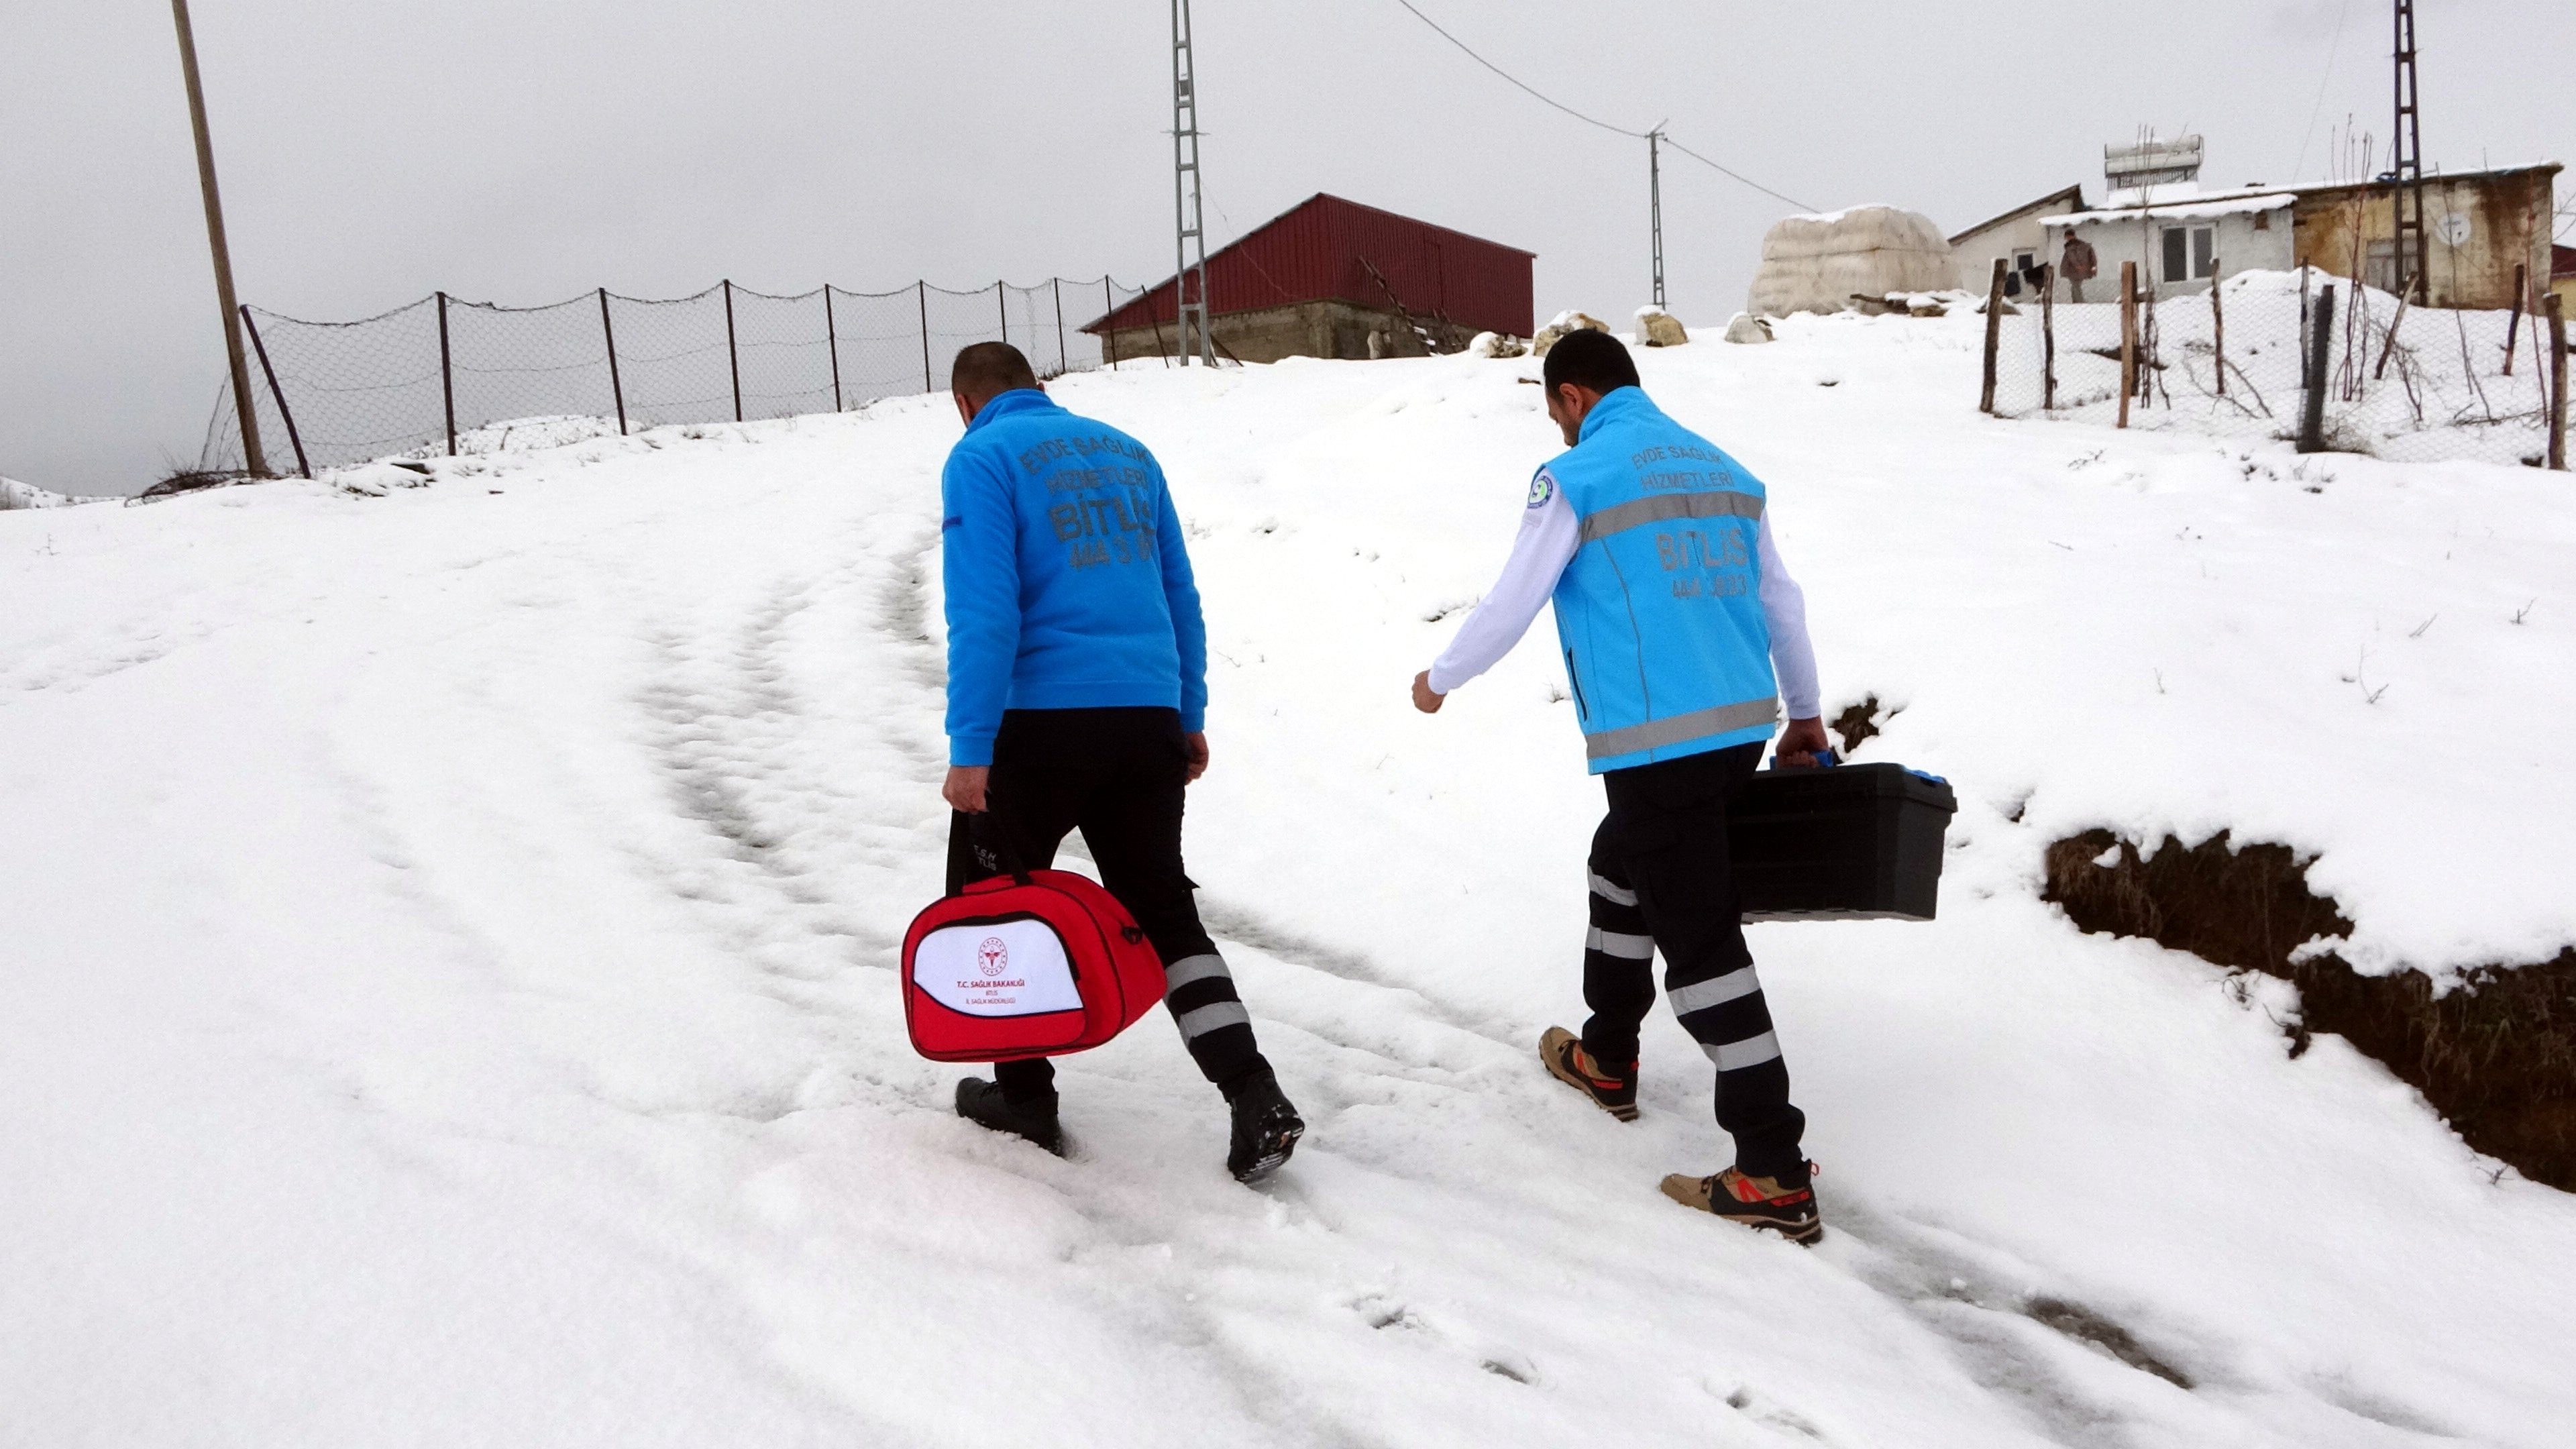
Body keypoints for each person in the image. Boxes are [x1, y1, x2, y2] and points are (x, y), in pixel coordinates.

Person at [1410, 329, 1830, 1244]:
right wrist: (1805, 715)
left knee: (1703, 944)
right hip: (1735, 732)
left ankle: (1771, 1166)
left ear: (1570, 397)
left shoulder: (1581, 475)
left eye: (1553, 410)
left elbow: (1514, 598)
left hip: (1656, 744)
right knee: (1621, 858)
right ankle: (1608, 1054)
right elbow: (1782, 604)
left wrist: (1441, 677)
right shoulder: (1724, 468)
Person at [937, 341, 1304, 1182]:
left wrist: (970, 749)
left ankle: (1025, 1099)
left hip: (1039, 724)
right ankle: (1253, 1092)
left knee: (995, 903)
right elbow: (1179, 594)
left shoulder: (981, 456)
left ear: (966, 402)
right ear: (1038, 388)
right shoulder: (1127, 452)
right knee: (1164, 909)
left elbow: (985, 611)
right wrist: (1188, 714)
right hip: (1144, 716)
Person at [2060, 230, 2098, 305]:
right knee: (2075, 285)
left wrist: (2078, 266)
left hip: (2073, 270)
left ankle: (2079, 302)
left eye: (2067, 237)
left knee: (2076, 286)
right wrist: (2093, 267)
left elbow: (2072, 258)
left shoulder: (2071, 246)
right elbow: (2093, 257)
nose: (2066, 238)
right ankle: (2076, 302)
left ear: (2069, 236)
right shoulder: (2085, 245)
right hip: (2083, 269)